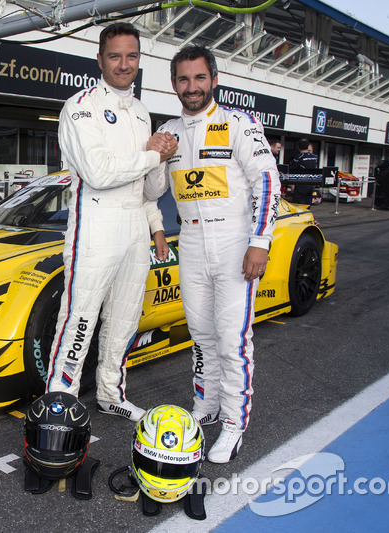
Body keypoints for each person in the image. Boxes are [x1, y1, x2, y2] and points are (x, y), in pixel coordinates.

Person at [149, 45, 281, 463]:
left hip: (234, 244)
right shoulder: (167, 133)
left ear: (214, 80)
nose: (192, 87)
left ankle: (233, 423)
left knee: (232, 341)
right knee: (202, 336)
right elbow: (151, 192)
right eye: (184, 80)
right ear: (174, 85)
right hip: (190, 244)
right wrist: (154, 157)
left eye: (199, 78)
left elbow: (268, 181)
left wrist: (259, 241)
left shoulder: (238, 123)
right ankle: (205, 405)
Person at [44, 22, 177, 423]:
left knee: (125, 315)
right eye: (115, 56)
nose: (124, 64)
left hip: (135, 225)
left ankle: (109, 391)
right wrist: (154, 155)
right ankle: (59, 401)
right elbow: (100, 172)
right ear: (99, 59)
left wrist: (162, 161)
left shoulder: (140, 111)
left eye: (131, 56)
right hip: (97, 223)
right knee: (79, 314)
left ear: (139, 59)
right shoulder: (80, 106)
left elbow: (150, 188)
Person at [289, 138, 318, 206]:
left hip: (300, 185)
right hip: (310, 184)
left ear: (298, 147)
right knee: (307, 204)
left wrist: (292, 185)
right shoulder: (314, 157)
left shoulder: (298, 158)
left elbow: (292, 172)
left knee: (298, 205)